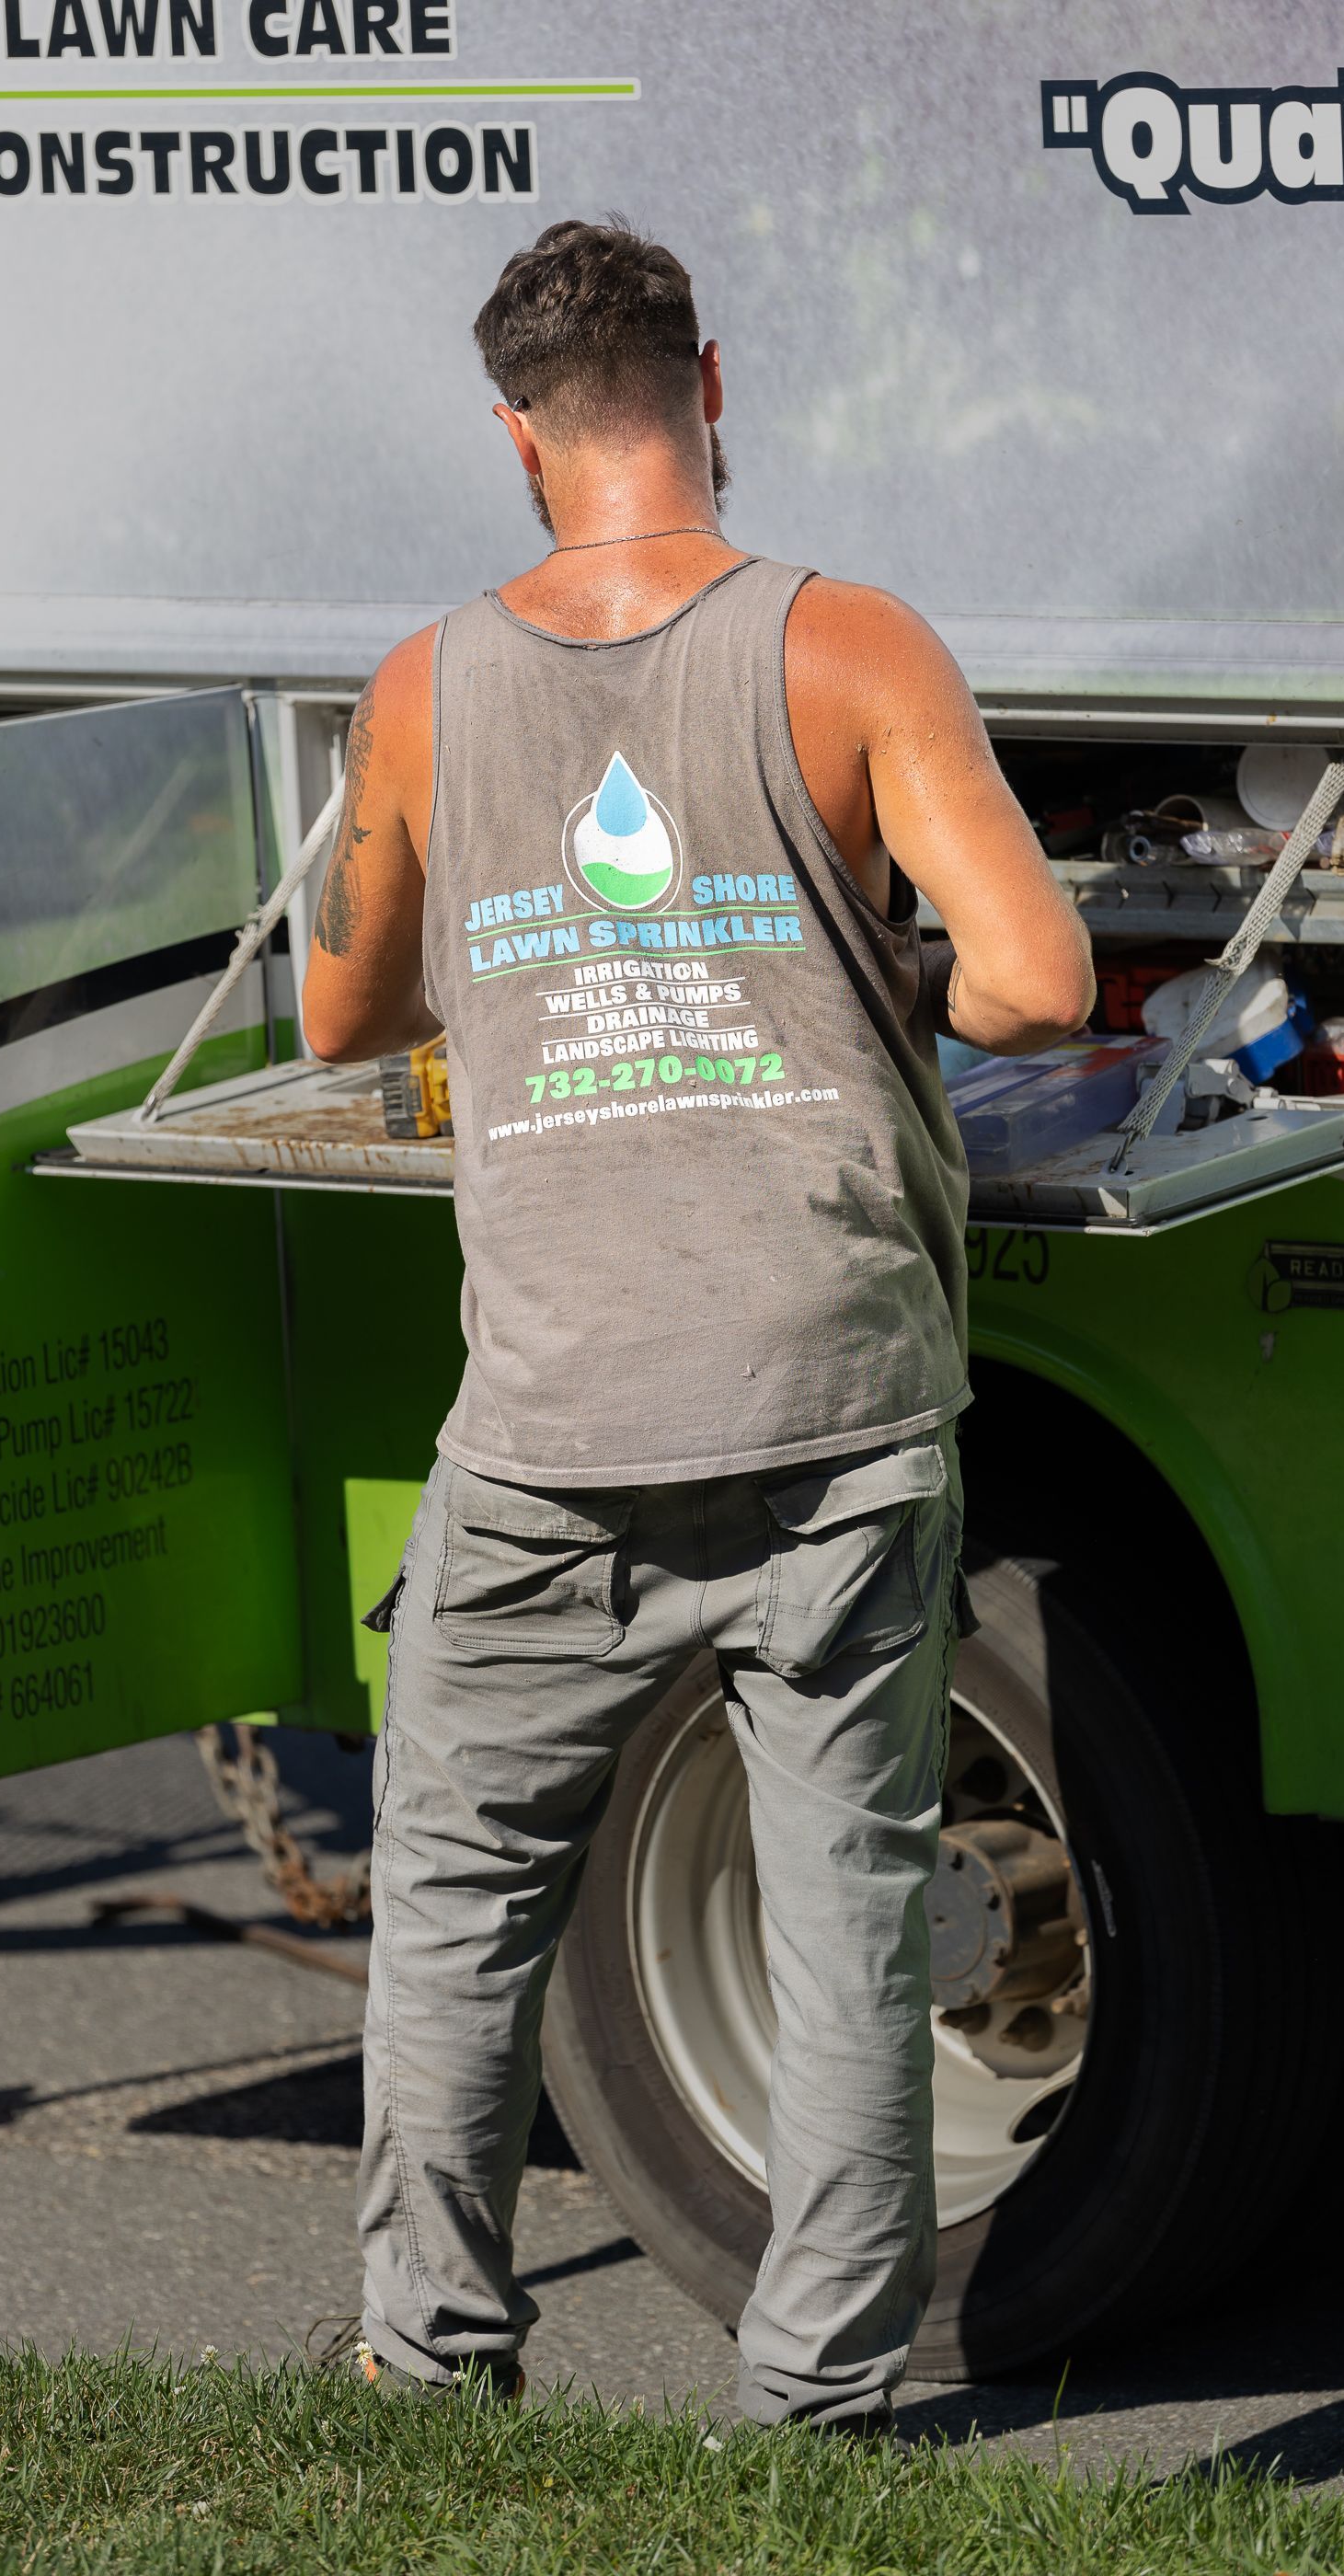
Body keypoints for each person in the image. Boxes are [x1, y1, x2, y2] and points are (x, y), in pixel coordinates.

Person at [301, 217, 1094, 2432]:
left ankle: (428, 2357)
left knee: (460, 1894)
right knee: (843, 1914)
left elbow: (343, 1004)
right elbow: (1039, 981)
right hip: (833, 1391)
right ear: (708, 383)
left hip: (553, 1408)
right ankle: (819, 2412)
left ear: (515, 436)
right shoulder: (849, 649)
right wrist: (862, 961)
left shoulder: (418, 691)